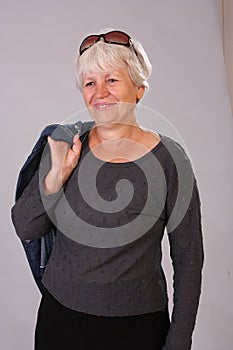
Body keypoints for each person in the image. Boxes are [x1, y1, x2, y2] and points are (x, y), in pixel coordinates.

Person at [11, 29, 204, 350]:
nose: (100, 92)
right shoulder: (65, 145)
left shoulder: (170, 160)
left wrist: (179, 342)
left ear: (139, 88)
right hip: (61, 322)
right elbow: (25, 226)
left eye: (112, 80)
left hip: (139, 327)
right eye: (90, 83)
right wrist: (57, 174)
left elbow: (189, 259)